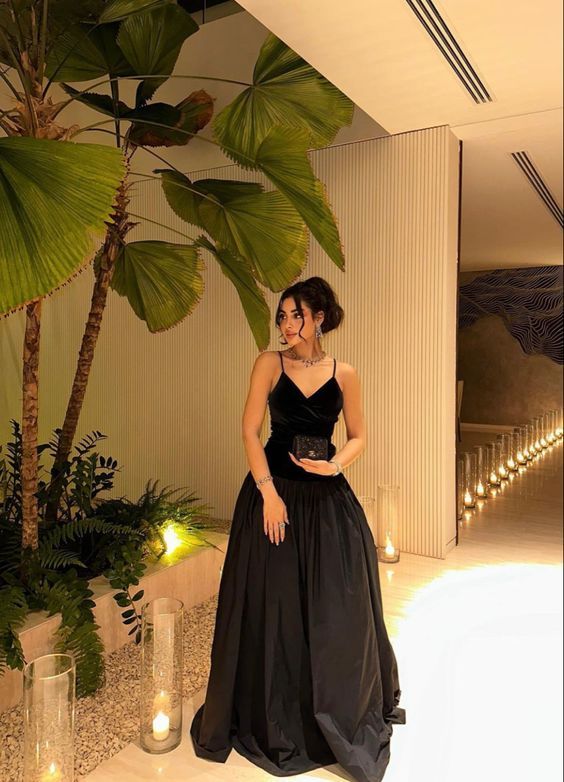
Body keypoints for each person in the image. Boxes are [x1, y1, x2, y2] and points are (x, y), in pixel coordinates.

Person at [190, 276, 406, 782]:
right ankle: (276, 706)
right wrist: (268, 493)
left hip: (326, 497)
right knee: (275, 603)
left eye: (296, 315)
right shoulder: (269, 363)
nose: (287, 325)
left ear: (320, 318)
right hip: (274, 495)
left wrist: (335, 465)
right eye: (282, 316)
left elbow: (358, 435)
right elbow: (249, 431)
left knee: (336, 605)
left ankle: (332, 702)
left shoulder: (345, 373)